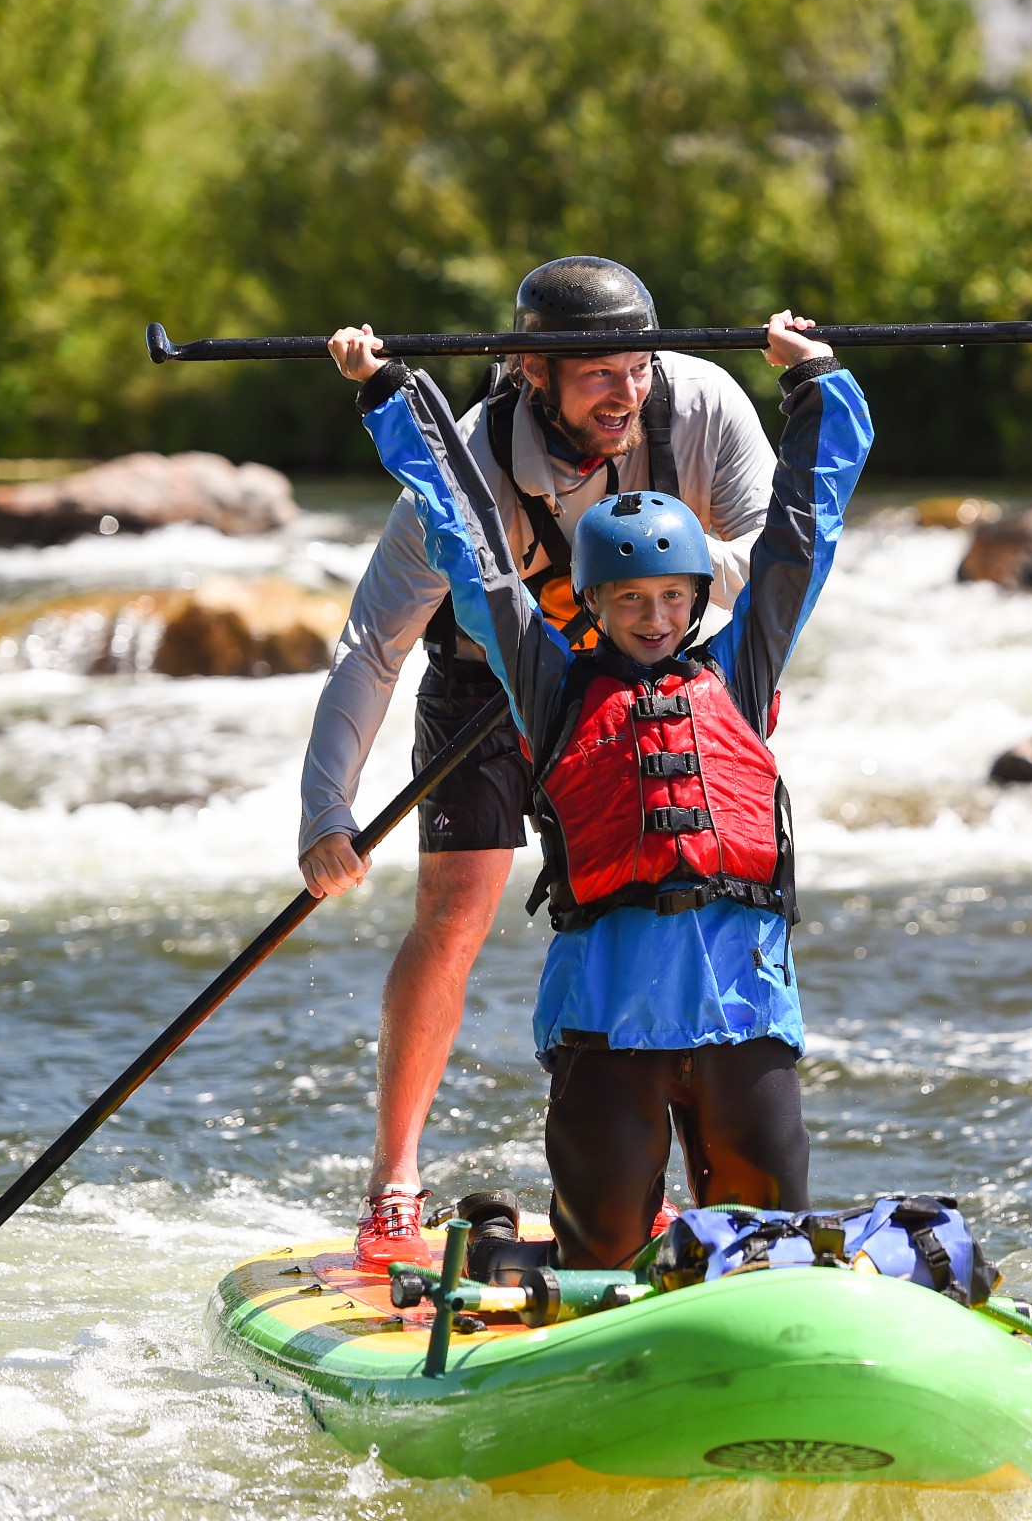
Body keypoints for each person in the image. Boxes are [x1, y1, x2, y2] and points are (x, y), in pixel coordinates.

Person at [340, 310, 871, 1267]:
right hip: (604, 1028)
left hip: (741, 1018)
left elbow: (806, 530)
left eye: (675, 596)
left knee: (768, 1249)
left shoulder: (742, 669)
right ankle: (503, 1246)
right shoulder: (549, 690)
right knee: (602, 1252)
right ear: (589, 603)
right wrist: (389, 397)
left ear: (703, 591)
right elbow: (472, 554)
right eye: (631, 600)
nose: (657, 617)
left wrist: (815, 381)